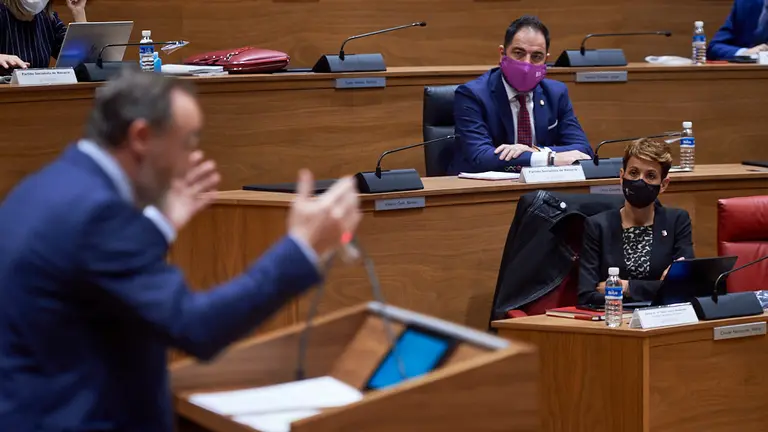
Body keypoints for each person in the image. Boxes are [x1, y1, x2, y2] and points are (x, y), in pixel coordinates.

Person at [0, 72, 361, 431]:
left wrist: (161, 224)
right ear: (141, 137)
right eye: (187, 142)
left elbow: (98, 279)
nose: (191, 158)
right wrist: (301, 249)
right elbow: (196, 326)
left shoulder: (46, 187)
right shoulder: (99, 214)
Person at [448, 15, 593, 175]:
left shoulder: (556, 93)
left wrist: (536, 151)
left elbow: (583, 149)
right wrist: (548, 158)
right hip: (482, 186)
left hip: (541, 183)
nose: (526, 64)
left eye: (536, 57)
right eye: (519, 53)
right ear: (502, 53)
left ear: (546, 60)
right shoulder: (473, 94)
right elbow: (480, 156)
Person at [578, 138, 694, 306]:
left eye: (650, 176)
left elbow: (684, 286)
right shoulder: (597, 226)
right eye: (633, 173)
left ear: (663, 184)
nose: (640, 181)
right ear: (621, 176)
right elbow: (587, 296)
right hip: (614, 316)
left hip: (662, 315)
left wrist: (626, 287)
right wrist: (659, 287)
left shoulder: (677, 222)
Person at [0, 0, 87, 71]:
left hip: (41, 85)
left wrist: (78, 12)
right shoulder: (2, 12)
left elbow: (79, 57)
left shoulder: (48, 18)